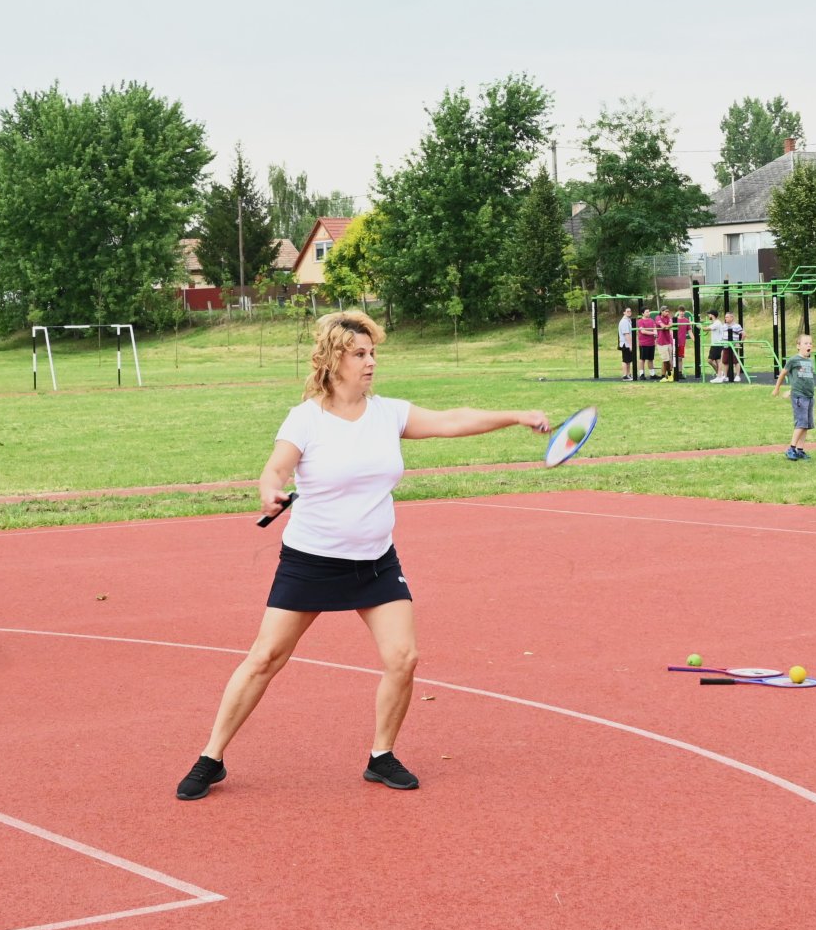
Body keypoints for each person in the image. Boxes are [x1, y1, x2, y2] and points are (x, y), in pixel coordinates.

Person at [175, 313, 550, 801]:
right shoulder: (306, 418)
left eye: (373, 353)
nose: (371, 362)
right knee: (265, 658)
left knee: (403, 657)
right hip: (311, 562)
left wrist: (516, 415)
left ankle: (381, 756)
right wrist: (270, 491)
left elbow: (452, 420)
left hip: (375, 562)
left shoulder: (388, 414)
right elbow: (276, 469)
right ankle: (211, 757)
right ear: (334, 359)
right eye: (359, 353)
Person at [771, 333, 816, 461]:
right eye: (805, 343)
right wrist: (777, 388)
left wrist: (790, 390)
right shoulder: (794, 360)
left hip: (809, 396)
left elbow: (801, 379)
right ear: (798, 346)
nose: (809, 345)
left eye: (810, 343)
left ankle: (800, 450)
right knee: (801, 423)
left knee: (806, 424)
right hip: (799, 397)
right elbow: (783, 373)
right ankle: (791, 449)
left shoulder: (809, 361)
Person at [707, 310, 730, 382]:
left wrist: (699, 326)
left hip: (716, 344)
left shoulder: (717, 323)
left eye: (709, 314)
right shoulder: (715, 323)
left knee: (710, 360)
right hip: (716, 344)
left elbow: (707, 329)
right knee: (718, 361)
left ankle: (720, 374)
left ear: (712, 315)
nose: (708, 316)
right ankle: (720, 374)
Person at [635, 308, 658, 380]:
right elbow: (643, 331)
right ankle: (641, 374)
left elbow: (655, 328)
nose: (648, 313)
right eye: (647, 312)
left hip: (651, 343)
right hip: (643, 343)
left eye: (649, 312)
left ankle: (652, 374)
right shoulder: (640, 321)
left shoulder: (651, 320)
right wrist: (653, 333)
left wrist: (655, 333)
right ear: (643, 313)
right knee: (642, 359)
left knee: (651, 359)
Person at [670, 310, 692, 382]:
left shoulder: (686, 321)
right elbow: (670, 330)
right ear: (678, 312)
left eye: (683, 312)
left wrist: (694, 339)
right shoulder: (674, 320)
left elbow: (690, 331)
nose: (682, 313)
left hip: (682, 342)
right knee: (673, 357)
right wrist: (674, 340)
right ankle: (672, 373)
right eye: (681, 311)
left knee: (680, 358)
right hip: (674, 342)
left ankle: (679, 373)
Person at [654, 309, 675, 381]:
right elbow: (662, 326)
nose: (667, 313)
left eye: (668, 311)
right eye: (666, 311)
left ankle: (664, 375)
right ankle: (668, 374)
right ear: (661, 312)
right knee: (666, 360)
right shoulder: (658, 317)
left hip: (668, 341)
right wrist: (667, 326)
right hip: (661, 342)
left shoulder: (668, 317)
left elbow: (671, 324)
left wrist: (667, 326)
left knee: (669, 360)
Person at [616, 308, 634, 380]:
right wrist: (631, 345)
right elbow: (626, 334)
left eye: (630, 311)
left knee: (629, 360)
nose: (629, 312)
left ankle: (628, 374)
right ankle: (625, 375)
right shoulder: (624, 321)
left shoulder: (628, 320)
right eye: (627, 311)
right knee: (625, 360)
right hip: (625, 344)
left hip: (628, 343)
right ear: (624, 312)